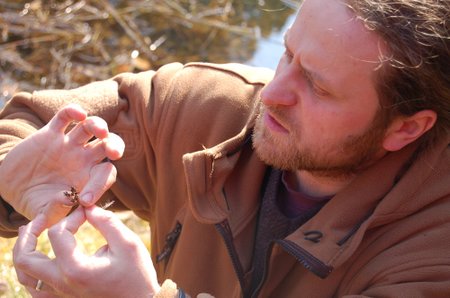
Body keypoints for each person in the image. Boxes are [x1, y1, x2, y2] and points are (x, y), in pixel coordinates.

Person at [1, 0, 449, 296]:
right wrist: (12, 184)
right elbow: (29, 125)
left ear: (406, 129)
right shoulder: (208, 105)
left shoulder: (433, 249)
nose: (274, 93)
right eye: (289, 54)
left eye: (316, 86)